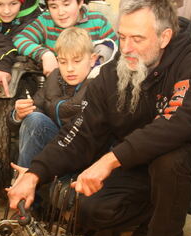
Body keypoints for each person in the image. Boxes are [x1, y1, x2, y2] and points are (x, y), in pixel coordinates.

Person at [8, 0, 191, 236]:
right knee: (84, 207)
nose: (126, 48)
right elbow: (80, 132)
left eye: (138, 39)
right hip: (135, 164)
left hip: (189, 166)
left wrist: (108, 161)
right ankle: (152, 211)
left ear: (165, 37)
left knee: (170, 156)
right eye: (122, 37)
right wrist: (35, 173)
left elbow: (175, 126)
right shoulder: (112, 74)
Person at [9, 27, 116, 167]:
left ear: (92, 59)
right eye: (63, 62)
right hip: (58, 142)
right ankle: (23, 179)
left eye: (77, 61)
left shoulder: (101, 82)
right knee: (34, 119)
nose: (69, 68)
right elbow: (35, 112)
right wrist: (18, 115)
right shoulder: (54, 77)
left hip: (87, 150)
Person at [13, 0, 117, 76]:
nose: (61, 12)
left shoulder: (98, 22)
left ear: (80, 2)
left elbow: (116, 51)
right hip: (56, 83)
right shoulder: (45, 21)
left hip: (92, 83)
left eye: (66, 4)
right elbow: (20, 39)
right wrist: (45, 54)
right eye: (54, 7)